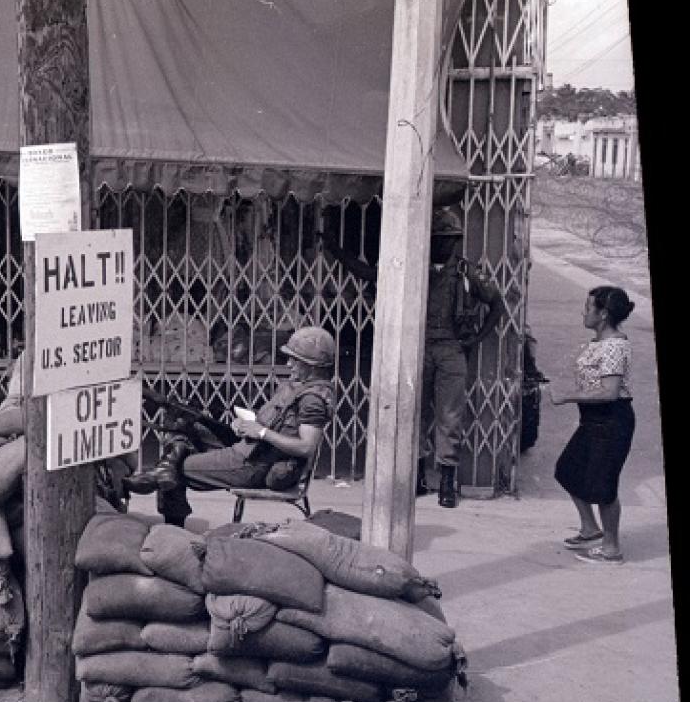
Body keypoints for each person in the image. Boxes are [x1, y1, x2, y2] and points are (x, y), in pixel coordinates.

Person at [322, 207, 503, 508]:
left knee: (450, 416)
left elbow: (496, 303)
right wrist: (336, 250)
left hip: (450, 349)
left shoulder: (467, 272)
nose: (446, 245)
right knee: (414, 413)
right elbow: (368, 273)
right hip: (415, 347)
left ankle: (447, 481)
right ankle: (417, 476)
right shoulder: (411, 267)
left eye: (451, 239)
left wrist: (477, 337)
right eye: (440, 239)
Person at [123, 326, 337, 529]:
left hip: (254, 465)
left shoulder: (313, 400)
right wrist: (247, 425)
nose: (289, 364)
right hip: (250, 449)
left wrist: (261, 432)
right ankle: (165, 470)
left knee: (175, 469)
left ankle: (173, 524)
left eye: (295, 360)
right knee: (186, 426)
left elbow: (306, 447)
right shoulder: (298, 386)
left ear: (313, 366)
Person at [550, 286, 636, 564]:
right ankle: (590, 529)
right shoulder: (598, 343)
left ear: (603, 314)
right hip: (593, 420)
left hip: (612, 420)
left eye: (588, 308)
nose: (583, 313)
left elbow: (609, 392)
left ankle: (612, 549)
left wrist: (565, 396)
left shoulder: (613, 347)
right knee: (567, 470)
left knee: (604, 485)